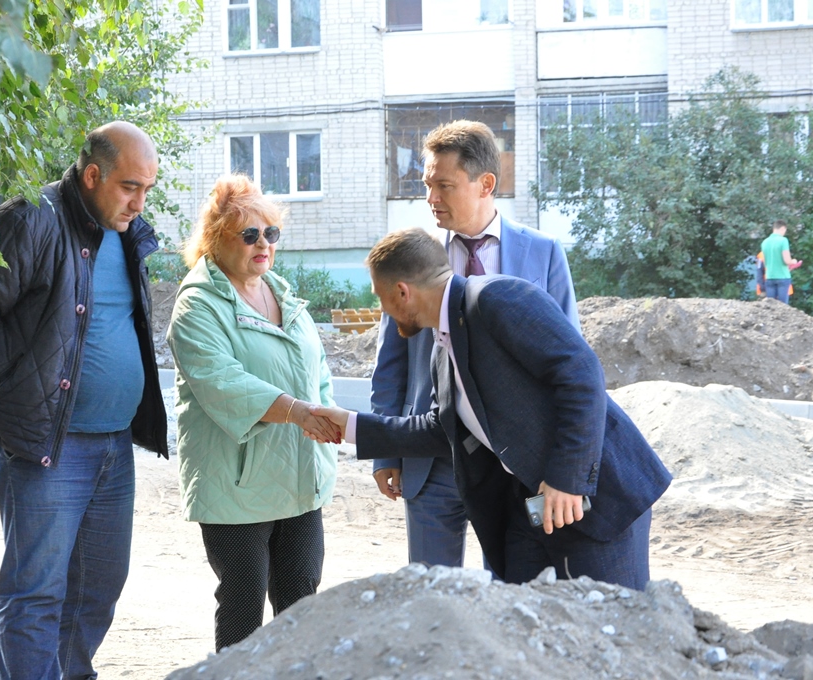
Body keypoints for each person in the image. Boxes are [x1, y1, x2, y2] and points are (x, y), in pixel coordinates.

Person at [313, 228, 671, 590]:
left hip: (595, 501)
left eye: (380, 297)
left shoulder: (496, 297)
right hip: (529, 511)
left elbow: (581, 374)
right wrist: (350, 425)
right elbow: (441, 429)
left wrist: (567, 479)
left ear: (402, 292)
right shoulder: (443, 347)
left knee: (607, 620)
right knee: (523, 620)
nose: (382, 310)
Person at [0, 121, 169, 680]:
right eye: (130, 187)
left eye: (147, 189)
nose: (140, 203)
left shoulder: (126, 231)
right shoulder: (29, 218)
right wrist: (15, 388)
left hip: (114, 443)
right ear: (92, 175)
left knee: (97, 587)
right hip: (47, 444)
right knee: (36, 594)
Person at [370, 120, 579, 569]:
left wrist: (564, 464)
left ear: (486, 184)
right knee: (434, 593)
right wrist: (386, 450)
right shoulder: (413, 254)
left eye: (444, 186)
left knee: (512, 591)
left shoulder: (543, 253)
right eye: (427, 185)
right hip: (432, 460)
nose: (431, 198)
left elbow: (570, 363)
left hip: (516, 463)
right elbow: (391, 362)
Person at [166, 174, 341, 651]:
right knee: (243, 607)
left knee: (302, 604)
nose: (263, 243)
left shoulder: (283, 293)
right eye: (249, 234)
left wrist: (324, 421)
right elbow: (222, 382)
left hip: (299, 478)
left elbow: (317, 372)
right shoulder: (197, 305)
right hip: (236, 485)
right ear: (215, 240)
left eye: (271, 233)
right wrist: (296, 411)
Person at [761, 219, 802, 304]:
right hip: (782, 277)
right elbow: (787, 260)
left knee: (770, 305)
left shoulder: (764, 242)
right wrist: (793, 262)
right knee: (782, 306)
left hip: (769, 277)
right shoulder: (783, 240)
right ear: (783, 228)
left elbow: (765, 263)